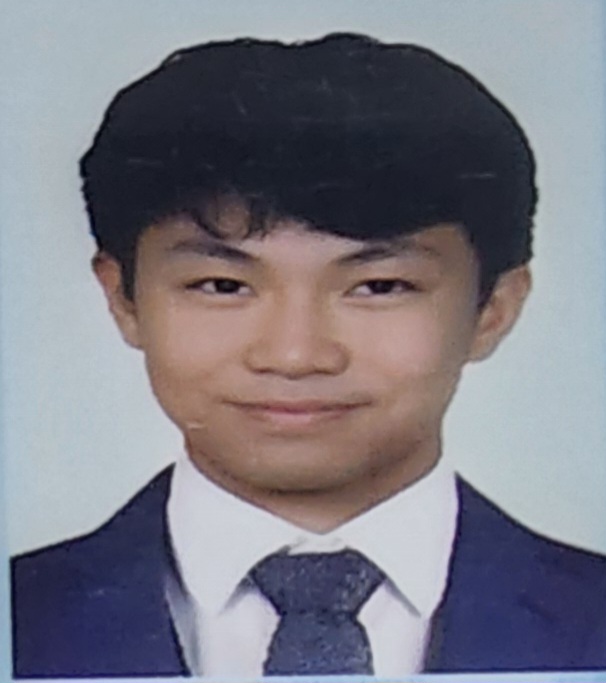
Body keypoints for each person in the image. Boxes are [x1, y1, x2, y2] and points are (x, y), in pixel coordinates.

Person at [10, 33, 606, 677]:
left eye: (379, 286)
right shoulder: (24, 620)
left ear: (493, 308)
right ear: (123, 299)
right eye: (222, 286)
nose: (295, 356)